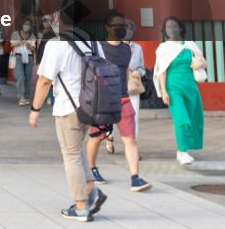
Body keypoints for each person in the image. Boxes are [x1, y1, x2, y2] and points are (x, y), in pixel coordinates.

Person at [30, 4, 107, 222]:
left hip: (68, 107)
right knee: (76, 150)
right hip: (91, 105)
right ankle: (91, 192)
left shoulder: (57, 44)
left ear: (61, 21)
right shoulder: (93, 42)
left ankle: (81, 207)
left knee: (71, 155)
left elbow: (44, 80)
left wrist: (35, 109)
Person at [86, 12, 152, 192]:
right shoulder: (98, 48)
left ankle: (135, 178)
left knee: (130, 138)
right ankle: (91, 169)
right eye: (117, 25)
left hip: (123, 98)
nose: (121, 29)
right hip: (102, 100)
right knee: (96, 137)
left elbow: (125, 72)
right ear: (107, 28)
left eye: (123, 25)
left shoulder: (127, 49)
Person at [154, 16, 206, 166]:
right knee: (181, 119)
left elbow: (203, 61)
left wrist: (199, 64)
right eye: (168, 27)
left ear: (181, 29)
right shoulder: (164, 48)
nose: (171, 30)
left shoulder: (190, 45)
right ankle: (183, 152)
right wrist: (164, 91)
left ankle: (182, 150)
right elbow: (161, 71)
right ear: (164, 31)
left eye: (175, 27)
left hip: (190, 87)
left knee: (193, 118)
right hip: (173, 88)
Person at [11, 18, 37, 106]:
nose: (27, 26)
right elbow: (12, 44)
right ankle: (21, 96)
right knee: (20, 76)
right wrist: (19, 42)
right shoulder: (15, 33)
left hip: (29, 58)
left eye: (29, 25)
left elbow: (33, 48)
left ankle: (27, 97)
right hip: (18, 56)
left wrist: (28, 44)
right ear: (22, 24)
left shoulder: (32, 36)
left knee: (28, 78)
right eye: (25, 24)